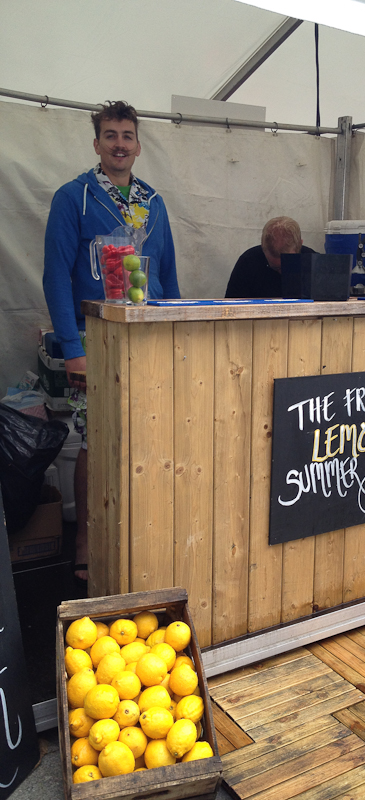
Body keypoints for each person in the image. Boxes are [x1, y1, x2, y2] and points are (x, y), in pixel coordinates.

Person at [43, 101, 181, 584]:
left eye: (127, 135)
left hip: (149, 333)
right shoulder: (73, 197)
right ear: (96, 143)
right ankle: (85, 536)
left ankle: (142, 531)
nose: (120, 143)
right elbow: (56, 276)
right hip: (95, 336)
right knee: (95, 439)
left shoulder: (153, 200)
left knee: (149, 432)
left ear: (138, 145)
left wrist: (177, 329)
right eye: (110, 135)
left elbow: (166, 270)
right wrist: (72, 348)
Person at [225, 216, 315, 298]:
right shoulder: (248, 263)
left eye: (288, 265)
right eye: (276, 267)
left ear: (299, 245)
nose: (282, 272)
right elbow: (231, 309)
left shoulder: (315, 264)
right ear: (263, 248)